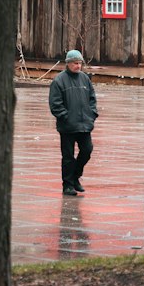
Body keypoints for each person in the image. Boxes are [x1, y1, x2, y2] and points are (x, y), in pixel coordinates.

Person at [49, 49, 98, 196]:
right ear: (68, 64)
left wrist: (92, 115)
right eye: (75, 63)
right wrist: (65, 117)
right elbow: (55, 104)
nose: (78, 66)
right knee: (68, 157)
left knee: (87, 151)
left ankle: (76, 176)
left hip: (84, 125)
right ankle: (68, 185)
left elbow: (92, 99)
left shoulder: (84, 79)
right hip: (68, 126)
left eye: (80, 63)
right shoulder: (59, 80)